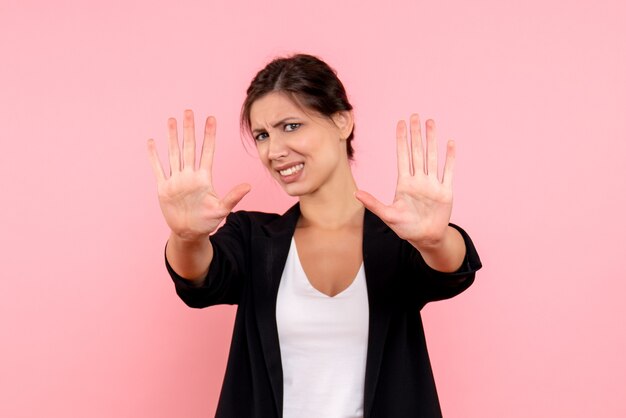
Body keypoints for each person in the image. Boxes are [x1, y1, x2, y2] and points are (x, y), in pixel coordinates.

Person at [147, 54, 482, 418]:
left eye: (290, 126)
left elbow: (451, 271)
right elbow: (200, 279)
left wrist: (433, 239)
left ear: (341, 121)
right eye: (262, 135)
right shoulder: (253, 238)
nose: (274, 151)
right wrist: (185, 237)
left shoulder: (397, 238)